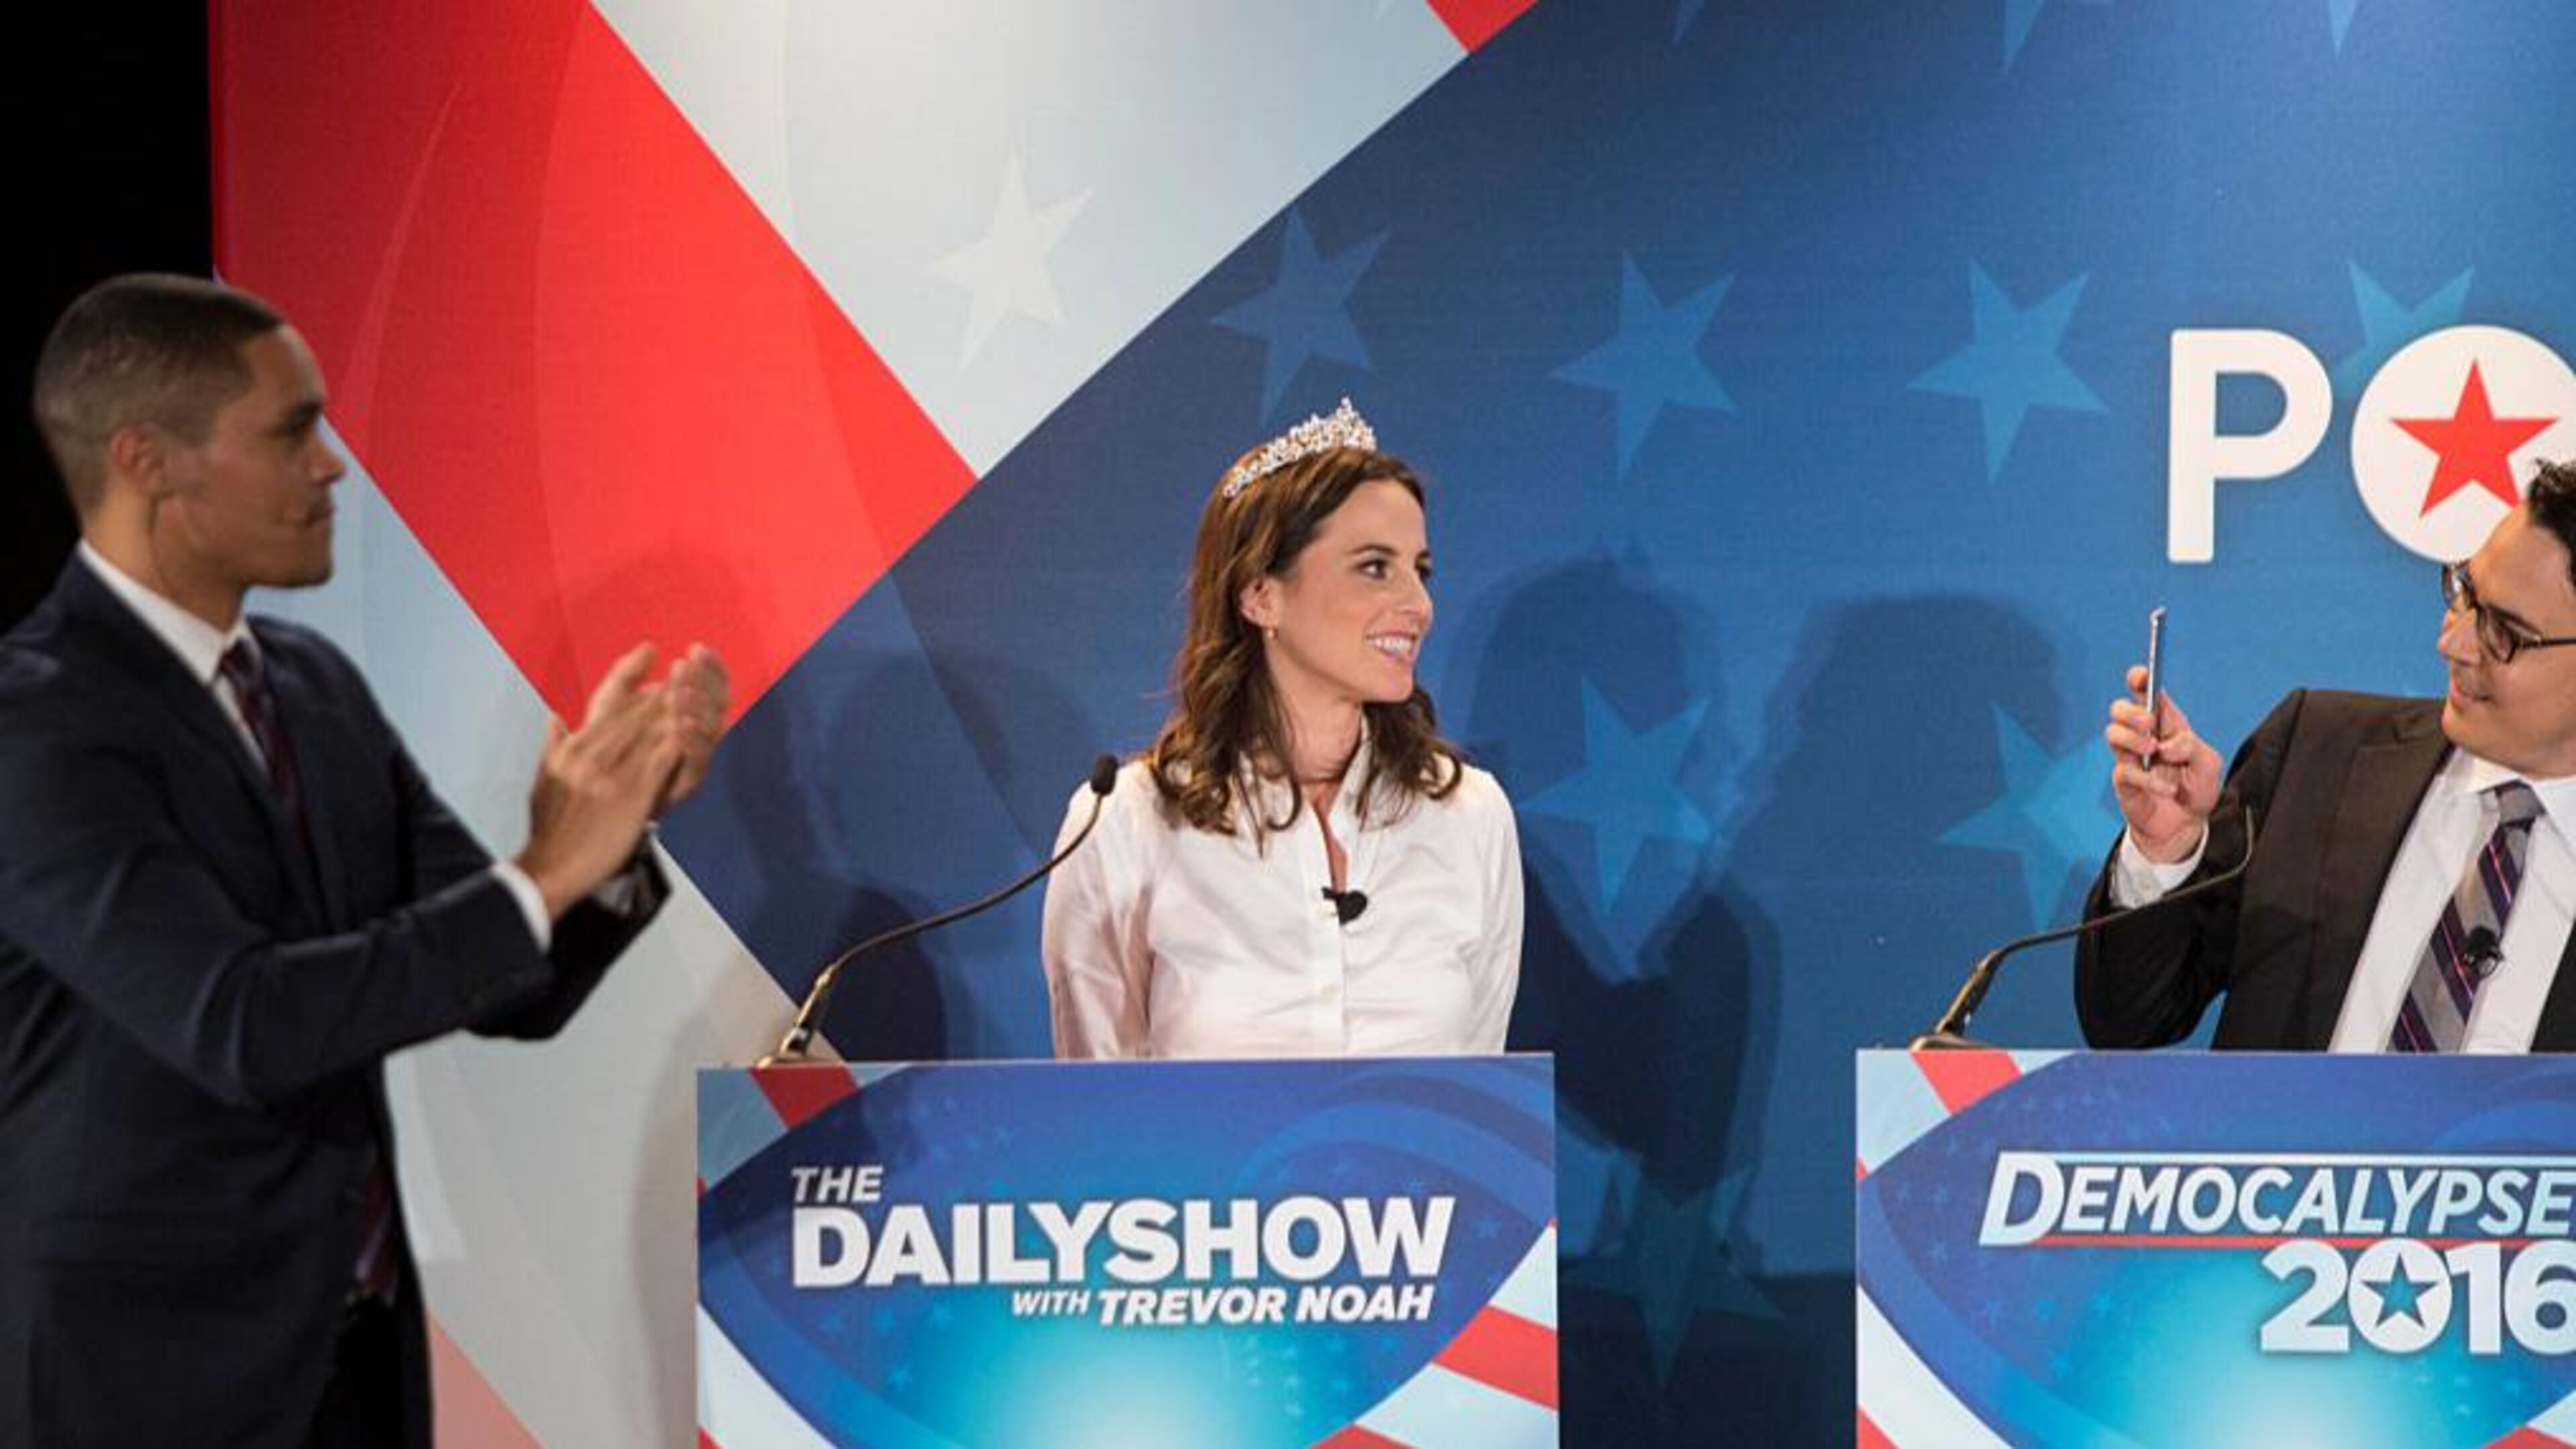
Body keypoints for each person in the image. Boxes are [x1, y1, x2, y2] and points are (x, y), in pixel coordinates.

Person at [0, 274, 730, 1448]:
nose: (333, 465)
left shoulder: (312, 687)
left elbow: (508, 979)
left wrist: (607, 841)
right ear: (148, 462)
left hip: (351, 1363)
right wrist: (543, 872)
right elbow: (240, 1025)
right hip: (145, 1380)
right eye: (291, 431)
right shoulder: (39, 722)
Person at [1040, 400, 1523, 1059]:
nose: (1419, 606)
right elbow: (1100, 1112)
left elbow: (1474, 1101)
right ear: (1261, 594)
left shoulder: (1471, 814)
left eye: (1422, 570)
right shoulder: (1129, 824)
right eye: (1375, 567)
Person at [2076, 459, 2576, 1052]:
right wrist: (2166, 855)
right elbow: (2128, 1020)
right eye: (2465, 592)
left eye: (2503, 632)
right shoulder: (2316, 756)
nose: (2454, 642)